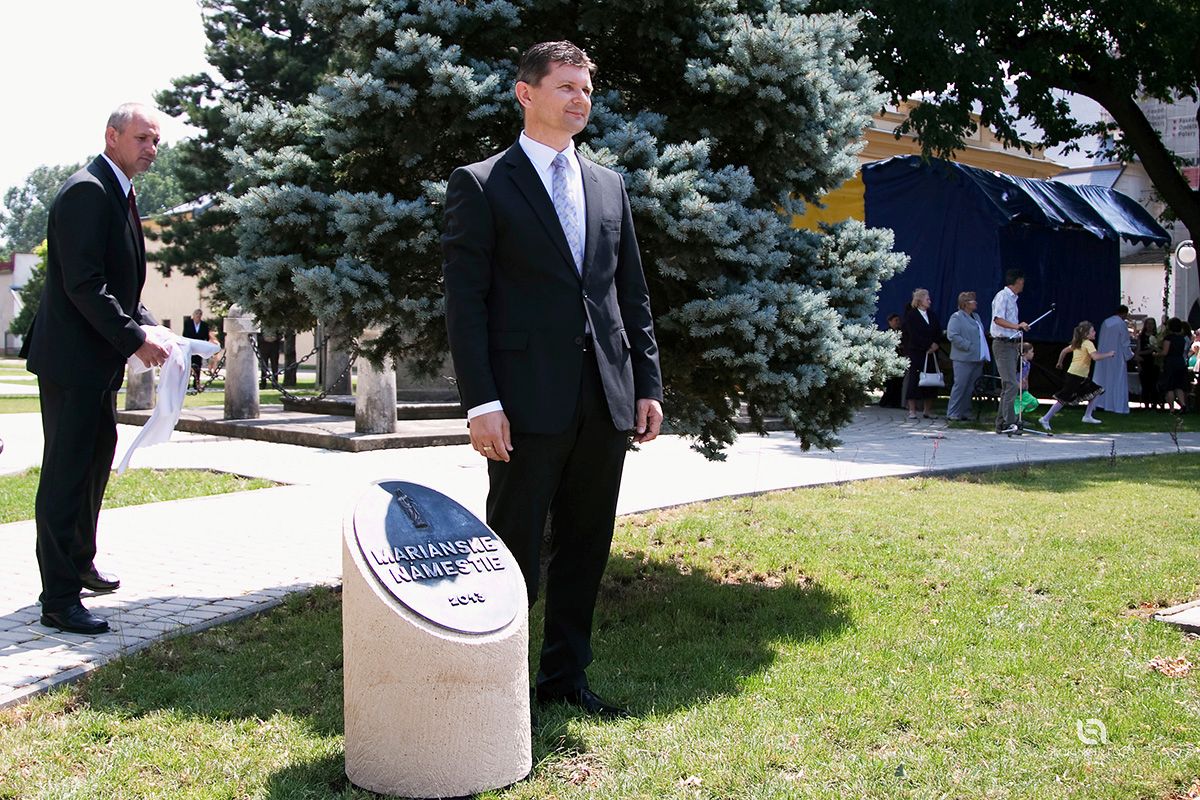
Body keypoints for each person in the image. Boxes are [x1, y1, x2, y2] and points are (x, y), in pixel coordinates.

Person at [442, 41, 664, 718]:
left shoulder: (608, 185)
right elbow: (465, 302)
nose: (580, 99)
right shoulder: (482, 183)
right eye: (566, 86)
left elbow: (631, 293)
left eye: (586, 89)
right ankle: (498, 688)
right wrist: (481, 402)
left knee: (586, 545)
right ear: (526, 93)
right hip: (522, 402)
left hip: (605, 397)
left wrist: (647, 384)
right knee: (510, 548)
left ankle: (565, 680)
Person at [20, 103, 170, 635]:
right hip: (71, 362)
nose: (151, 149)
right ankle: (59, 599)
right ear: (112, 136)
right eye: (142, 139)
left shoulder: (119, 190)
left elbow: (120, 283)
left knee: (93, 463)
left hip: (95, 363)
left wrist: (153, 328)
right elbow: (84, 283)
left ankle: (79, 564)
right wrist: (133, 340)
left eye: (156, 141)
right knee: (66, 475)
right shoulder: (87, 190)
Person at [1037, 321, 1113, 430]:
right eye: (1092, 331)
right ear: (1086, 334)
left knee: (1097, 391)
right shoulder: (1088, 343)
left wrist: (1060, 362)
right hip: (1075, 376)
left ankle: (1087, 416)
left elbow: (1064, 351)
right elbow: (1095, 357)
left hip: (1079, 376)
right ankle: (1045, 418)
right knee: (1063, 398)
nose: (1095, 333)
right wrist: (1109, 354)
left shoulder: (1078, 343)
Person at [990, 269, 1030, 434]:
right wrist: (1017, 326)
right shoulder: (1003, 296)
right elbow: (998, 319)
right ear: (1017, 281)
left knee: (1008, 385)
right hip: (1003, 344)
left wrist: (1018, 329)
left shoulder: (1013, 299)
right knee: (1012, 384)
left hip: (1011, 344)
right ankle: (1009, 422)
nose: (1023, 285)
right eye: (1022, 281)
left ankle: (1001, 422)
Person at [945, 291, 989, 421]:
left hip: (977, 358)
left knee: (970, 387)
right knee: (960, 385)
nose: (976, 303)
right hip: (963, 358)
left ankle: (965, 412)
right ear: (965, 304)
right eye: (973, 301)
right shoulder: (956, 317)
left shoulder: (976, 316)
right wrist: (967, 345)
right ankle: (952, 412)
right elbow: (952, 335)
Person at [900, 288, 942, 420]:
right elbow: (913, 335)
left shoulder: (932, 315)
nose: (929, 301)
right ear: (919, 301)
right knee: (914, 380)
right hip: (917, 352)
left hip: (931, 353)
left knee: (931, 381)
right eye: (927, 299)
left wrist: (935, 344)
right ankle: (912, 410)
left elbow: (938, 331)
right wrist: (928, 345)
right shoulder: (911, 316)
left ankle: (927, 410)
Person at [1092, 306, 1133, 413]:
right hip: (1116, 356)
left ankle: (1101, 403)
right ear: (1124, 313)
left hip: (1103, 355)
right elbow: (1125, 341)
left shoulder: (1106, 322)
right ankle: (1116, 405)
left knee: (1103, 378)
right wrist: (1129, 355)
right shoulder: (1121, 324)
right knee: (1117, 380)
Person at [1160, 318, 1190, 412]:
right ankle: (1183, 404)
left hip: (1171, 362)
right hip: (1180, 362)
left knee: (1170, 386)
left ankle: (1172, 408)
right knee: (1179, 386)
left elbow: (1165, 352)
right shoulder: (1182, 338)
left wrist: (1156, 353)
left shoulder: (1168, 338)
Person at [878, 313, 904, 408]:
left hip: (900, 359)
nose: (898, 322)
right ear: (890, 322)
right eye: (895, 320)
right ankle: (886, 401)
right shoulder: (886, 333)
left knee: (898, 382)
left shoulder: (901, 333)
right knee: (890, 382)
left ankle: (896, 402)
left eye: (898, 320)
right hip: (890, 359)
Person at [181, 309, 209, 390]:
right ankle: (186, 383)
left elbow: (206, 337)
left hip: (199, 349)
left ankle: (196, 383)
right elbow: (184, 335)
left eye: (200, 314)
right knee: (188, 365)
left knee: (198, 365)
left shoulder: (204, 325)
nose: (198, 315)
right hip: (189, 348)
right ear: (193, 315)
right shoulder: (188, 324)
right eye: (196, 314)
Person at [1137, 318, 1161, 410]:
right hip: (1144, 362)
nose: (1150, 326)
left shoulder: (1157, 336)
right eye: (1148, 324)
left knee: (1154, 384)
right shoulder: (1141, 336)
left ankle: (1154, 404)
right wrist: (1139, 364)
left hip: (1154, 362)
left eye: (1152, 324)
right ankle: (1146, 404)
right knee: (1145, 384)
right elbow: (1138, 351)